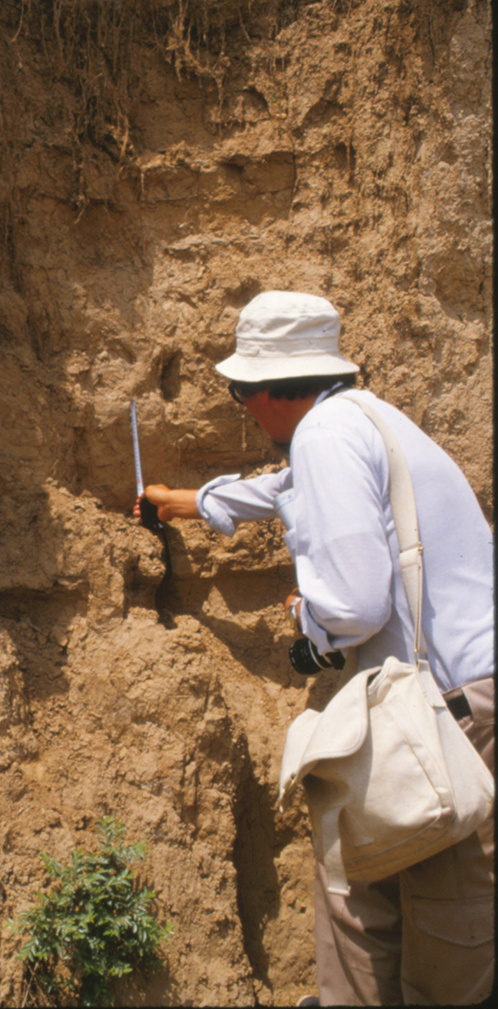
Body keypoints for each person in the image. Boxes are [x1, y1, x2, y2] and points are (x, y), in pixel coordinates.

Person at [134, 290, 494, 1006]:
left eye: (240, 395)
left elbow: (357, 604)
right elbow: (285, 491)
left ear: (267, 391)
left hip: (450, 718)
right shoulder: (363, 420)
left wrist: (311, 622)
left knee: (430, 932)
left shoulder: (324, 435)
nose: (243, 409)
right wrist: (183, 502)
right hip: (462, 703)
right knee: (373, 896)